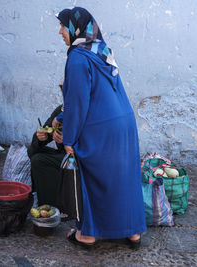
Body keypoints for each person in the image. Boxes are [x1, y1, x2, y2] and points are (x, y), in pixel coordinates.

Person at [55, 7, 146, 249]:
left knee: (92, 177)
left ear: (75, 29)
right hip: (124, 122)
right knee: (123, 177)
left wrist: (69, 139)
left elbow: (78, 102)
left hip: (100, 126)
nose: (60, 31)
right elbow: (100, 91)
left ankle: (88, 234)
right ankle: (133, 232)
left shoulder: (77, 57)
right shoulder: (101, 50)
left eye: (63, 26)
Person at [28, 79, 66, 209]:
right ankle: (40, 196)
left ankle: (54, 206)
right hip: (64, 156)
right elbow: (46, 129)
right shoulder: (60, 110)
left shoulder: (87, 111)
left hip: (81, 159)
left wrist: (67, 140)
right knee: (34, 152)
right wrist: (41, 137)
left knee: (40, 160)